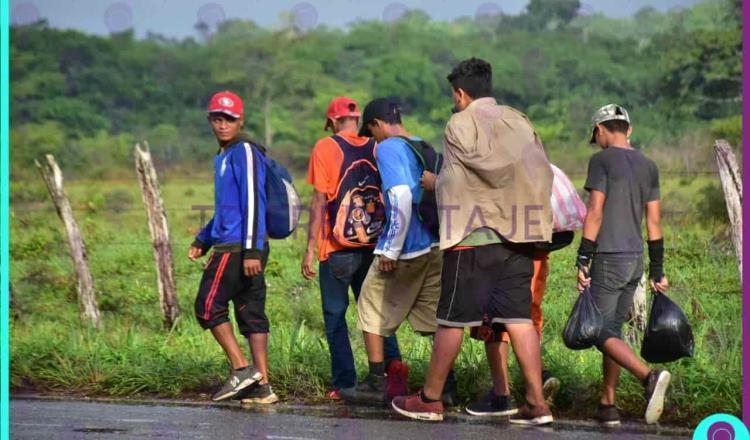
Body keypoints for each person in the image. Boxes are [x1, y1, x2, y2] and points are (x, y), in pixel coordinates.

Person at [391, 57, 554, 425]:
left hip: (472, 237)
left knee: (451, 319)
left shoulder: (459, 123)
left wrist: (434, 183)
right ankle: (537, 403)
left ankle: (430, 399)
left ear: (461, 93)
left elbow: (457, 178)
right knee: (518, 319)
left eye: (454, 95)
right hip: (519, 237)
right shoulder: (519, 121)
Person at [343, 97, 457, 405]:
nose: (373, 141)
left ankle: (375, 382)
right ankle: (445, 386)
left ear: (377, 124)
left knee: (370, 304)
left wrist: (390, 250)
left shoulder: (390, 147)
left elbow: (401, 196)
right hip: (436, 245)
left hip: (408, 248)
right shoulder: (421, 145)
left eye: (372, 133)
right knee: (434, 318)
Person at [301, 97, 405, 400]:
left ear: (333, 122)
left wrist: (310, 247)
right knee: (376, 315)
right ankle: (392, 377)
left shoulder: (325, 147)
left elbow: (320, 200)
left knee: (335, 316)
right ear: (358, 119)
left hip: (336, 248)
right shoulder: (376, 146)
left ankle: (344, 383)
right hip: (374, 246)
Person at [576, 104, 671, 426]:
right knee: (612, 331)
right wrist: (658, 270)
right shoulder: (648, 165)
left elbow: (595, 212)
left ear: (601, 130)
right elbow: (654, 221)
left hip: (609, 256)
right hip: (635, 260)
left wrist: (583, 258)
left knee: (598, 330)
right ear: (628, 129)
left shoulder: (601, 160)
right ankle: (608, 404)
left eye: (596, 135)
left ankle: (648, 377)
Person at [189, 90, 278, 404]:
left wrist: (252, 251)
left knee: (207, 306)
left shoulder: (245, 151)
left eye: (229, 119)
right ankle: (263, 386)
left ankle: (242, 369)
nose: (222, 124)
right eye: (217, 118)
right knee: (251, 315)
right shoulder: (223, 156)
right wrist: (204, 238)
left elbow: (254, 201)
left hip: (239, 248)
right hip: (232, 242)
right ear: (211, 120)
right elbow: (227, 207)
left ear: (241, 121)